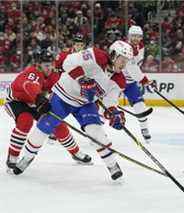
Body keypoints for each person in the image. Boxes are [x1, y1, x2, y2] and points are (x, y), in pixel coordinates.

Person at [12, 40, 134, 181]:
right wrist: (82, 79)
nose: (124, 64)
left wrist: (114, 114)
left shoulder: (119, 80)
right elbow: (68, 62)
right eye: (122, 59)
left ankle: (112, 165)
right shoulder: (95, 55)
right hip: (63, 95)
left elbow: (109, 102)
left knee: (96, 132)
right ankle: (27, 157)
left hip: (85, 104)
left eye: (127, 61)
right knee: (44, 127)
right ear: (113, 55)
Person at [4, 50, 92, 172]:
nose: (49, 68)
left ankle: (76, 152)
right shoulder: (33, 72)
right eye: (46, 65)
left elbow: (61, 89)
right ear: (39, 65)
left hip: (36, 102)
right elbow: (28, 85)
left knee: (58, 124)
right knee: (25, 121)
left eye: (51, 64)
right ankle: (13, 156)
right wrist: (39, 98)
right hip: (16, 101)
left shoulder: (54, 75)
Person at [122, 25, 155, 143]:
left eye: (138, 36)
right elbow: (131, 67)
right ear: (129, 36)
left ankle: (144, 129)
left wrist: (142, 80)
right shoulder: (125, 47)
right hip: (116, 80)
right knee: (105, 107)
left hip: (130, 82)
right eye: (133, 36)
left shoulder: (140, 46)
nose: (136, 38)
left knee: (140, 105)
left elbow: (136, 65)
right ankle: (96, 132)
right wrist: (144, 81)